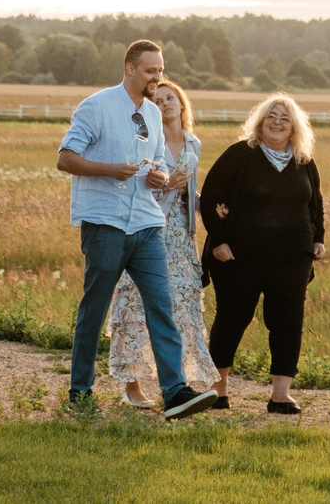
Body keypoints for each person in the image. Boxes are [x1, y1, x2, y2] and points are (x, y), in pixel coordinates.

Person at [55, 39, 222, 419]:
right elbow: (65, 159)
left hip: (148, 223)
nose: (157, 78)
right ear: (130, 69)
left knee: (161, 307)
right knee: (94, 310)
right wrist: (111, 169)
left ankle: (175, 392)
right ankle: (80, 393)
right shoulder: (96, 107)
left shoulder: (150, 113)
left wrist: (161, 177)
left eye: (160, 70)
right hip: (106, 223)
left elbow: (156, 165)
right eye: (151, 71)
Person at [199, 92, 326, 415]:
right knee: (232, 318)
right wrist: (218, 241)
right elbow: (210, 198)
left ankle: (280, 395)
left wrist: (318, 240)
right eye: (272, 117)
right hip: (239, 256)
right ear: (260, 121)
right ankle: (219, 389)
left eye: (285, 118)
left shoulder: (304, 162)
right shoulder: (240, 155)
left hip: (293, 257)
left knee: (288, 322)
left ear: (294, 126)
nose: (278, 123)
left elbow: (315, 206)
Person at [107, 76, 222, 408]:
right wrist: (167, 184)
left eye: (171, 98)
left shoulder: (193, 144)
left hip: (180, 238)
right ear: (150, 110)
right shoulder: (144, 140)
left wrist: (212, 208)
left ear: (182, 104)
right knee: (135, 304)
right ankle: (132, 386)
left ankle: (177, 383)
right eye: (158, 100)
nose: (165, 103)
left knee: (181, 308)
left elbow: (187, 192)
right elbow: (136, 187)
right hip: (146, 229)